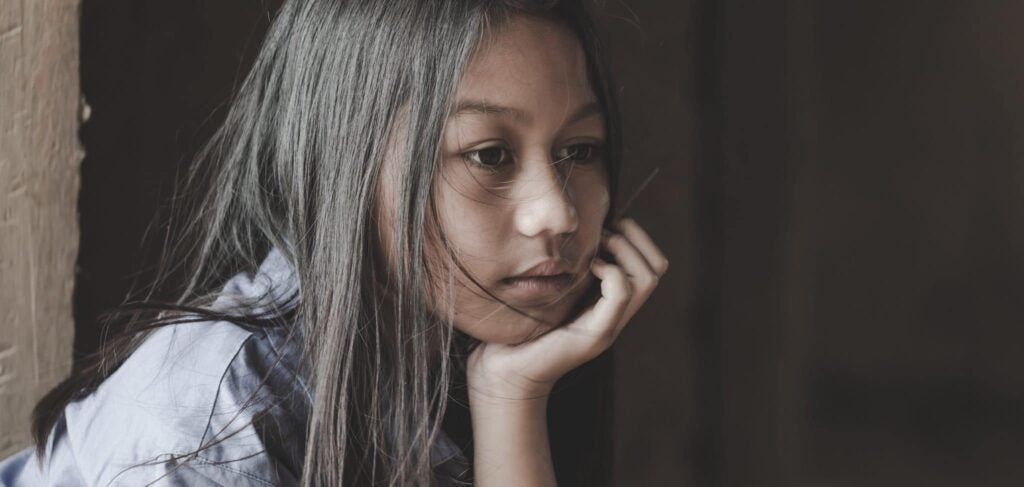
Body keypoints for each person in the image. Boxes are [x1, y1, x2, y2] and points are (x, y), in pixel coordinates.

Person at [0, 0, 668, 485]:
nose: (558, 213)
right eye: (489, 154)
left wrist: (510, 400)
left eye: (581, 150)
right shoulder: (210, 429)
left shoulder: (453, 357)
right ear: (344, 162)